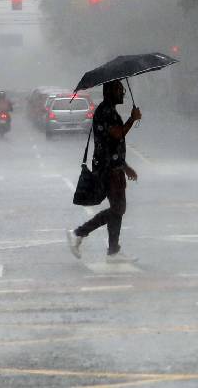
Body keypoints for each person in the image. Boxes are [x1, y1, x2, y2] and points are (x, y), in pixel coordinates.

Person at [67, 79, 141, 262]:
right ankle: (79, 233)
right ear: (109, 92)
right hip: (108, 169)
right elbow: (117, 134)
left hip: (113, 166)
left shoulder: (109, 110)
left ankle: (113, 251)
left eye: (123, 90)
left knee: (118, 208)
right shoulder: (105, 111)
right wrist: (132, 118)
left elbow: (113, 144)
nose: (122, 93)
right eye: (119, 90)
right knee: (118, 208)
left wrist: (125, 166)